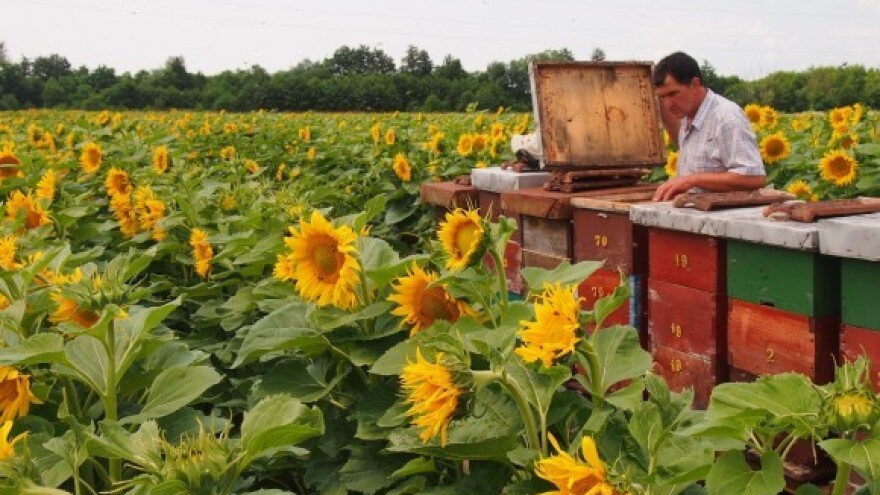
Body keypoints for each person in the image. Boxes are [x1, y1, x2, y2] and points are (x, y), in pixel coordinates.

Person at [651, 51, 765, 202]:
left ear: (695, 85)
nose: (667, 104)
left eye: (673, 94)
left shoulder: (726, 116)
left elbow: (754, 177)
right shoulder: (686, 116)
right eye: (662, 97)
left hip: (727, 220)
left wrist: (692, 180)